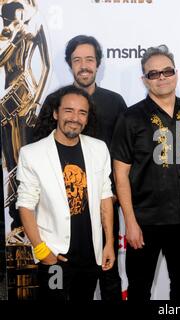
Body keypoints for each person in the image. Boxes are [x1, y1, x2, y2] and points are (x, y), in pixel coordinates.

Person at [34, 35, 127, 300]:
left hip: (103, 203)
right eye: (77, 60)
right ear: (70, 64)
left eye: (89, 59)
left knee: (108, 278)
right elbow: (37, 153)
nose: (83, 65)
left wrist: (119, 191)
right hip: (60, 209)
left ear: (98, 63)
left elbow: (126, 152)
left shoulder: (115, 102)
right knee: (58, 281)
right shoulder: (54, 101)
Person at [111, 45, 180, 300]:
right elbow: (120, 175)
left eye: (166, 71)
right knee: (139, 288)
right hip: (145, 221)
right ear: (144, 80)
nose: (161, 77)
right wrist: (130, 222)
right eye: (153, 74)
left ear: (176, 74)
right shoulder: (130, 118)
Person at [16, 85, 115, 300]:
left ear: (87, 119)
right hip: (55, 257)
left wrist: (108, 244)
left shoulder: (99, 148)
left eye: (82, 112)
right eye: (69, 110)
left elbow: (105, 197)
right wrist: (43, 252)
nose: (75, 118)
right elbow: (25, 205)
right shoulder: (32, 154)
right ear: (56, 113)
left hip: (92, 256)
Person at [1, 0, 50, 230]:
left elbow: (47, 66)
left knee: (26, 159)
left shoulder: (37, 26)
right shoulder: (6, 32)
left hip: (27, 96)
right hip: (5, 100)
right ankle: (15, 218)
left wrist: (37, 102)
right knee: (10, 160)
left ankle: (26, 218)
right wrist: (10, 37)